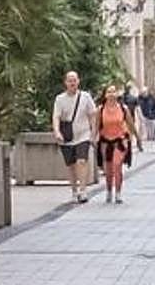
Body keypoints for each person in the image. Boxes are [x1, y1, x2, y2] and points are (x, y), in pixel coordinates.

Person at [51, 71, 98, 204]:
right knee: (71, 165)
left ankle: (83, 190)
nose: (72, 83)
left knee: (82, 161)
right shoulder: (60, 99)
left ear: (78, 81)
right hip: (67, 136)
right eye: (69, 80)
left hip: (83, 135)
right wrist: (57, 131)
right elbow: (56, 117)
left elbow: (92, 115)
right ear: (65, 83)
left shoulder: (85, 97)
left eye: (74, 80)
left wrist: (93, 133)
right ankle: (74, 190)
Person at [95, 84, 135, 204]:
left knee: (117, 165)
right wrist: (93, 139)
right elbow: (96, 126)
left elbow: (131, 124)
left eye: (114, 91)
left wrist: (136, 139)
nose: (111, 94)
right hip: (105, 141)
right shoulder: (100, 109)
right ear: (105, 95)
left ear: (117, 94)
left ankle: (118, 193)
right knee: (108, 170)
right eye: (109, 92)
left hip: (120, 140)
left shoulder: (123, 108)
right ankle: (108, 191)